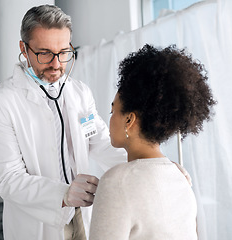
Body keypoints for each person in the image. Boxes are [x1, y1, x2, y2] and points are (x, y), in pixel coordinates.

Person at [0, 4, 126, 240]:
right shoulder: (1, 102)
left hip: (81, 216)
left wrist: (147, 164)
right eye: (45, 53)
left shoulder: (80, 93)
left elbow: (99, 141)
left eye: (63, 52)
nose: (57, 64)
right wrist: (63, 193)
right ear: (24, 49)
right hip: (37, 221)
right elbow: (8, 179)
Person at [89, 44, 217, 239]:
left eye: (112, 111)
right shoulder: (181, 179)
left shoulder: (116, 181)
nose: (110, 119)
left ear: (129, 120)